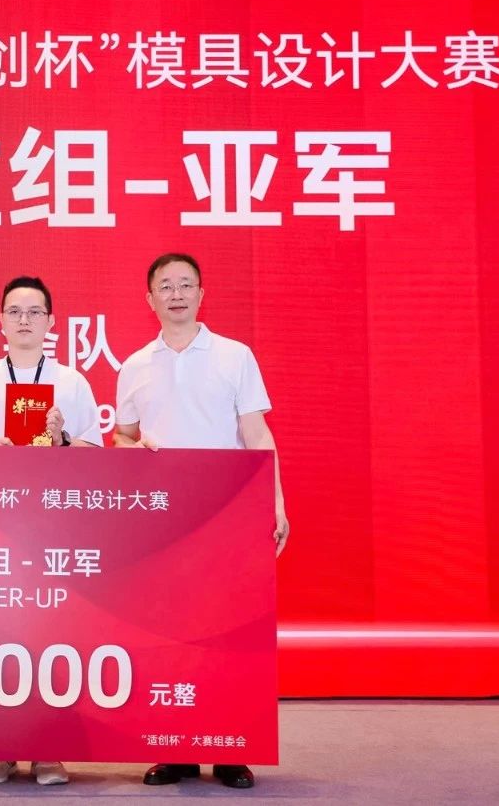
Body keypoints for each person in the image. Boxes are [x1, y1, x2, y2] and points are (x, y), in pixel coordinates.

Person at [113, 252, 289, 791]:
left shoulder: (235, 356)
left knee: (229, 633)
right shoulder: (134, 365)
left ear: (201, 294)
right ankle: (176, 750)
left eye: (186, 284)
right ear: (149, 299)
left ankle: (231, 749)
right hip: (164, 518)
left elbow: (257, 435)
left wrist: (276, 501)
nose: (176, 294)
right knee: (169, 633)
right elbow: (122, 435)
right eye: (165, 286)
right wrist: (134, 449)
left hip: (227, 514)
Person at [0, 275, 103, 785]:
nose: (24, 320)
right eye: (14, 311)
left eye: (35, 312)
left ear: (51, 322)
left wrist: (61, 442)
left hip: (53, 530)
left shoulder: (73, 383)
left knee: (53, 636)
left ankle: (48, 749)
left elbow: (97, 456)